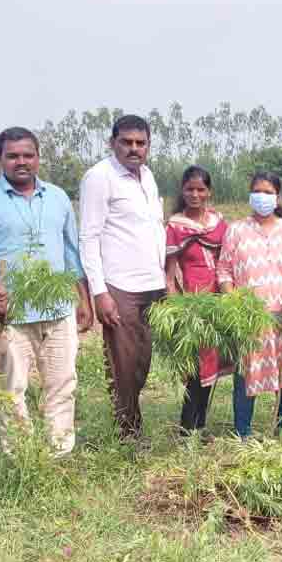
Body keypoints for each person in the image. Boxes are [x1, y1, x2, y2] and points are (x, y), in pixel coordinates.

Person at [0, 126, 91, 457]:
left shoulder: (58, 197)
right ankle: (21, 456)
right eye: (13, 156)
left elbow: (70, 252)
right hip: (11, 313)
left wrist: (82, 298)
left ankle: (58, 452)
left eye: (28, 155)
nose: (21, 162)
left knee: (62, 384)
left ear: (38, 158)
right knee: (12, 389)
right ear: (0, 159)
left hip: (58, 309)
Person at [78, 114, 167, 441]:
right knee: (123, 364)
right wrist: (100, 293)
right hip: (121, 287)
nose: (133, 149)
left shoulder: (148, 177)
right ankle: (129, 435)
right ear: (112, 143)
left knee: (143, 361)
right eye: (126, 142)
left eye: (140, 143)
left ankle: (132, 421)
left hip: (152, 285)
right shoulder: (99, 177)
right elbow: (88, 237)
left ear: (148, 146)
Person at [216, 172, 282, 438]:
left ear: (278, 197)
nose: (262, 197)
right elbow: (224, 270)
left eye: (268, 192)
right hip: (251, 317)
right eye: (257, 191)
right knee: (247, 375)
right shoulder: (236, 230)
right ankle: (242, 433)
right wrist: (233, 301)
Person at [164, 165, 228, 433]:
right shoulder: (176, 226)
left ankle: (201, 425)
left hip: (219, 302)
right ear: (182, 190)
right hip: (192, 304)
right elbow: (168, 274)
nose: (195, 194)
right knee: (193, 368)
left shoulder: (219, 223)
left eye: (200, 189)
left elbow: (229, 261)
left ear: (209, 192)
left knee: (212, 362)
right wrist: (178, 308)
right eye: (190, 189)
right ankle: (186, 427)